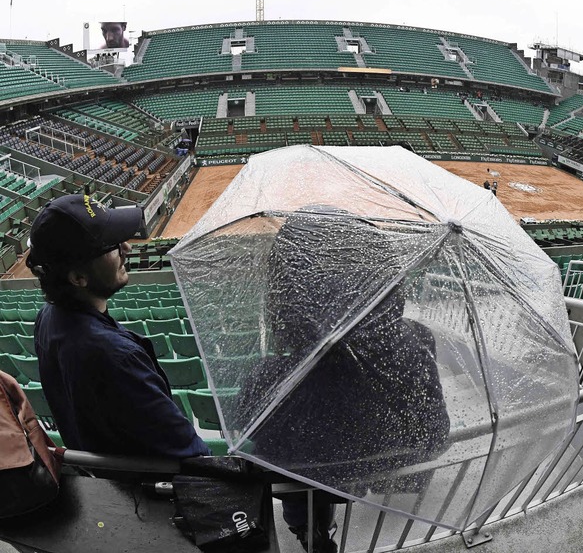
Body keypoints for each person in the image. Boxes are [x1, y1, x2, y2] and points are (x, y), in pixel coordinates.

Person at [239, 206, 450, 552]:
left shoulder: (270, 378)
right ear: (385, 276)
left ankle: (308, 531)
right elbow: (436, 436)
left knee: (303, 477)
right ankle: (318, 525)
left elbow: (255, 440)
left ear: (284, 291)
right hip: (370, 473)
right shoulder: (418, 342)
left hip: (305, 482)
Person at [26, 194, 209, 459]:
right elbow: (192, 455)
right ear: (79, 278)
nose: (127, 249)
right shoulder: (117, 357)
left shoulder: (48, 317)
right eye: (111, 246)